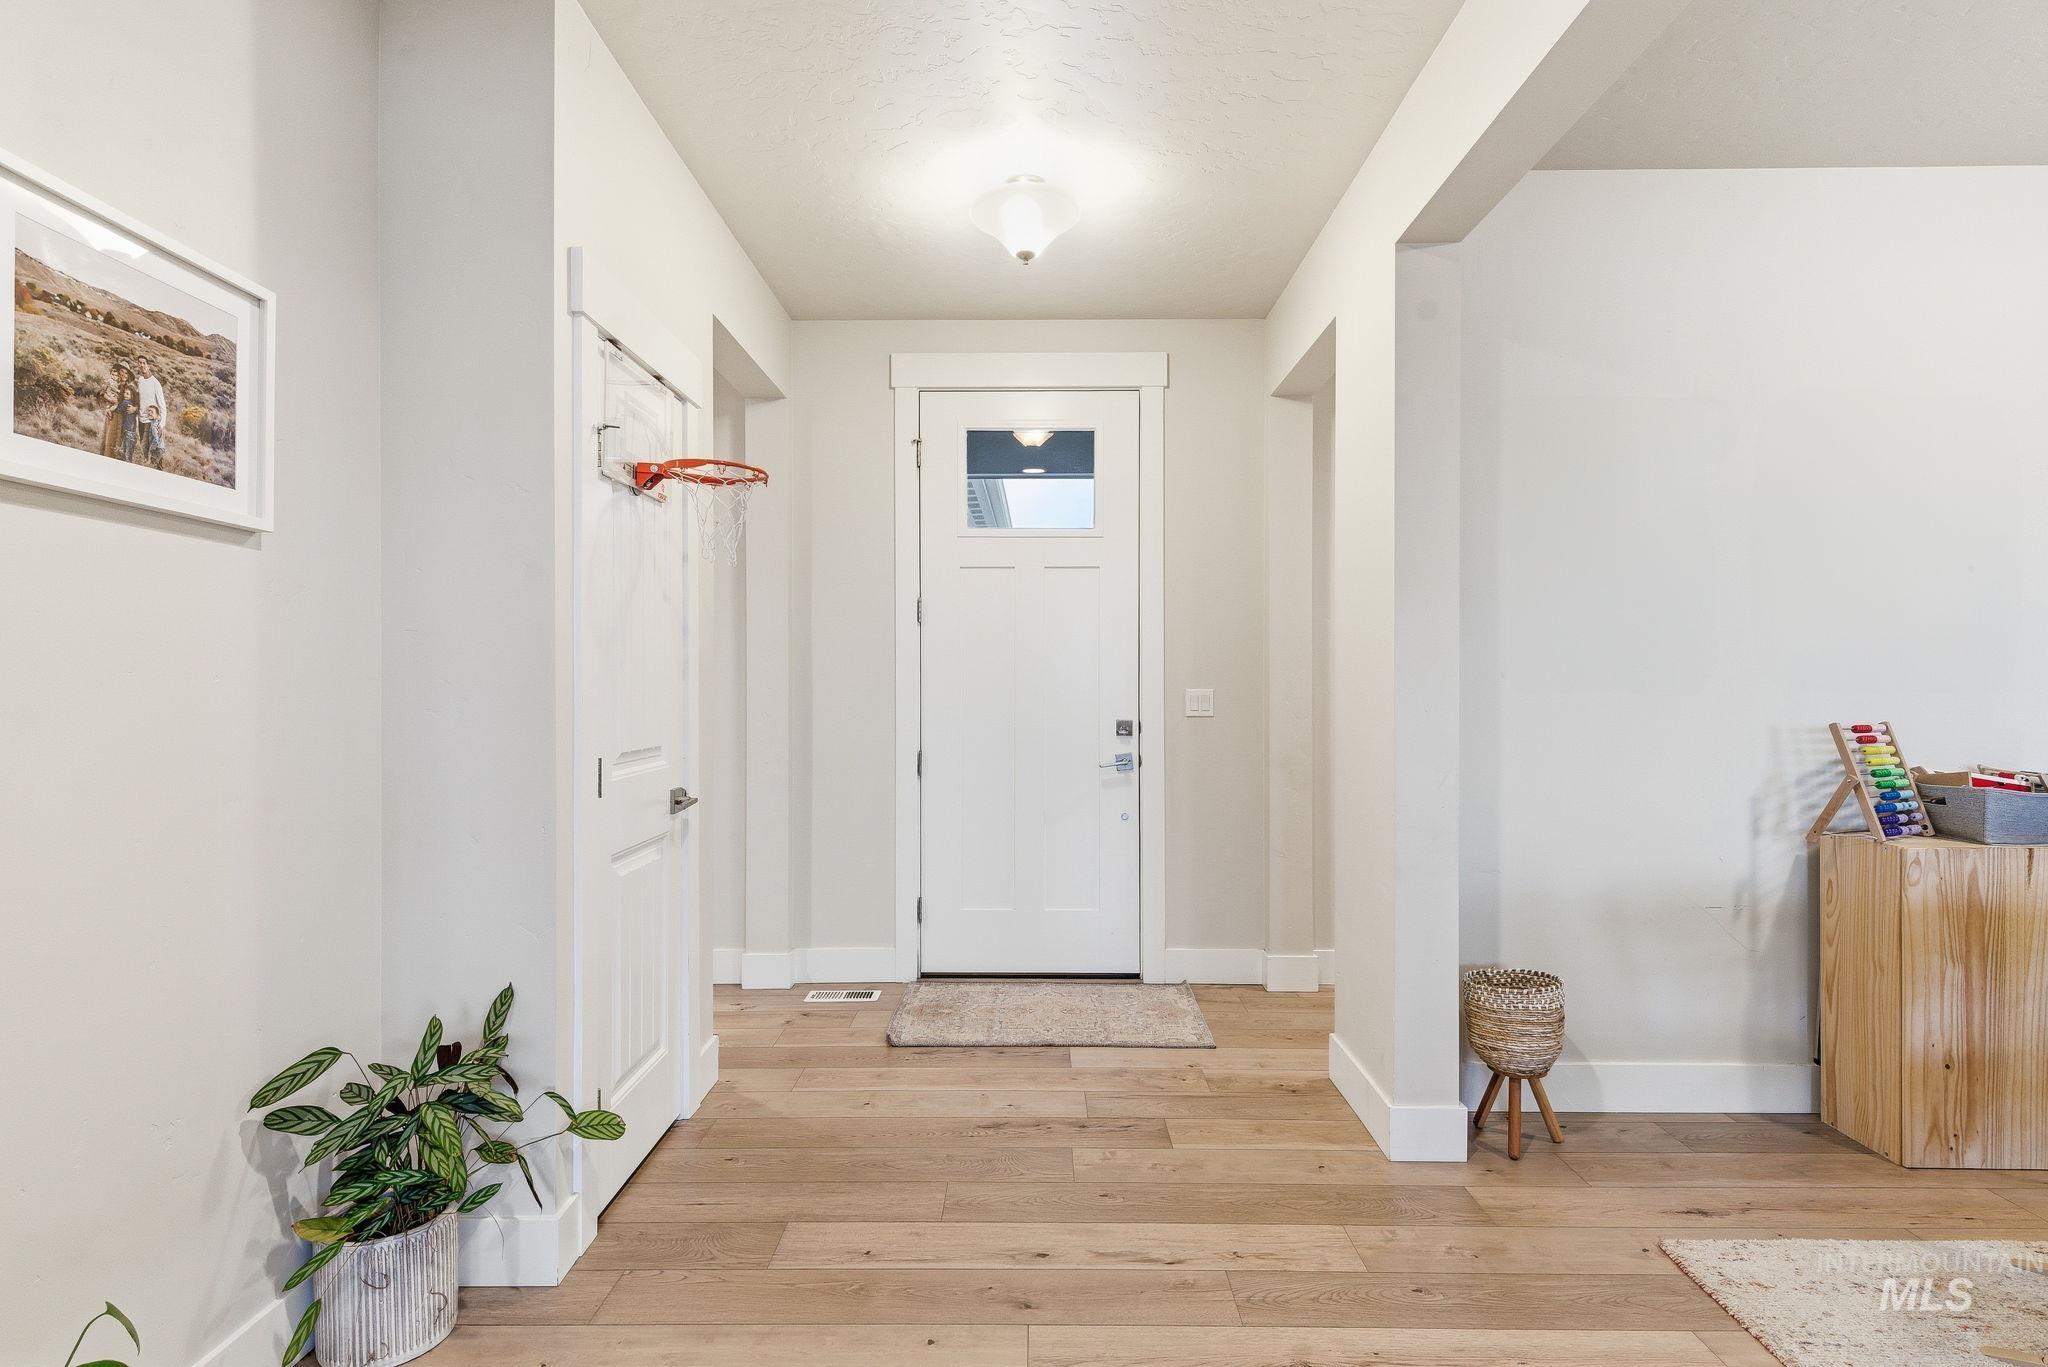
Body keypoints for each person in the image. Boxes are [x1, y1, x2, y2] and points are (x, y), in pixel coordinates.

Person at [133, 359, 167, 469]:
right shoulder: (140, 380)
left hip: (151, 422)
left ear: (149, 366)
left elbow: (162, 406)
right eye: (140, 363)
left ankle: (157, 468)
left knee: (148, 448)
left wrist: (161, 425)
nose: (141, 365)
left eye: (144, 363)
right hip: (141, 420)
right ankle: (150, 468)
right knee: (145, 449)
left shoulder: (155, 383)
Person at [102, 363, 139, 461]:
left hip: (122, 418)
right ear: (118, 372)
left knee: (117, 441)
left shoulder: (130, 388)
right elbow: (102, 393)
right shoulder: (113, 383)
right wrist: (109, 402)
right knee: (108, 439)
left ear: (128, 376)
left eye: (126, 373)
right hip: (111, 415)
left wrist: (135, 408)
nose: (123, 374)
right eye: (122, 371)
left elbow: (138, 402)